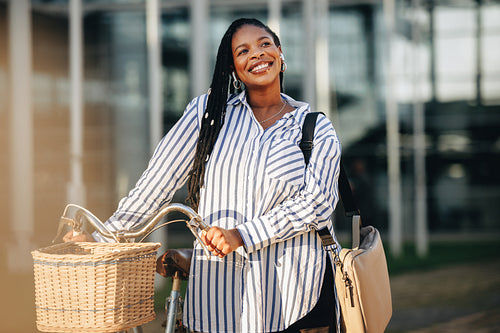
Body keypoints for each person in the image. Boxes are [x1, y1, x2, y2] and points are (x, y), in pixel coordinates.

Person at [64, 18, 342, 333]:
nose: (257, 55)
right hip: (217, 293)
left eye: (265, 44)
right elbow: (156, 184)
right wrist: (101, 241)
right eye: (243, 51)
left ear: (279, 52)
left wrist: (242, 235)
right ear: (233, 67)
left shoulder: (315, 127)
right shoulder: (207, 115)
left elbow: (318, 203)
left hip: (293, 293)